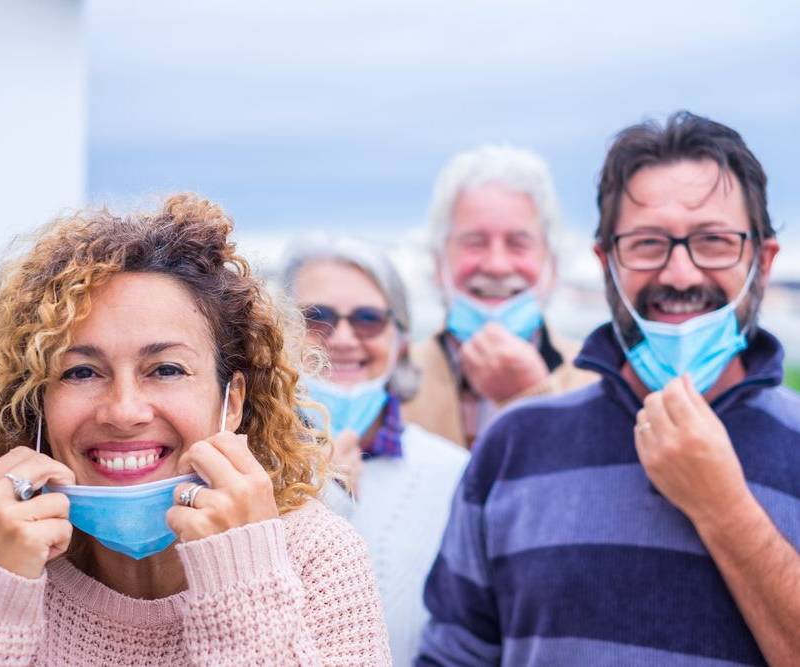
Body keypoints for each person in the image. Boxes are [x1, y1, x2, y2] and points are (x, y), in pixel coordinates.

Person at [418, 112, 800, 666]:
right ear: (606, 262)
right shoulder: (514, 444)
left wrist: (725, 510)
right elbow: (453, 655)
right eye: (646, 244)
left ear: (762, 263)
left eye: (714, 241)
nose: (680, 273)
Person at [0, 194, 391, 666]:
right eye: (81, 373)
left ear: (231, 402)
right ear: (36, 403)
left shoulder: (317, 558)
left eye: (167, 369)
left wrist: (242, 581)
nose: (124, 410)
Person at [279, 235, 469, 666]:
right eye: (317, 318)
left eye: (368, 319)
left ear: (400, 340)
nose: (343, 338)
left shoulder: (457, 474)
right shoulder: (242, 471)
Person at [402, 144, 596, 448]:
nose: (496, 265)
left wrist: (529, 396)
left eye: (518, 243)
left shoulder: (599, 378)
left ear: (553, 265)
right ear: (438, 263)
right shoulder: (393, 381)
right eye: (474, 242)